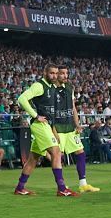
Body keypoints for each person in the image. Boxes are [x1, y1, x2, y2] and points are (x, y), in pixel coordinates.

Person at [12, 64, 75, 196]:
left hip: (47, 125)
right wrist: (35, 115)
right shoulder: (39, 86)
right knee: (56, 152)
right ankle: (62, 188)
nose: (54, 75)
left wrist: (53, 130)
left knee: (33, 159)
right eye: (51, 73)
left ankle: (20, 187)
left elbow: (50, 112)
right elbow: (22, 99)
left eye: (56, 73)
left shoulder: (52, 87)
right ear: (45, 72)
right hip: (39, 125)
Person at [57, 65, 98, 192]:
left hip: (70, 126)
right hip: (58, 127)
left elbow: (73, 107)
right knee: (58, 155)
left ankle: (83, 184)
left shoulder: (70, 88)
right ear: (56, 75)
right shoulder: (51, 90)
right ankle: (62, 185)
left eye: (66, 73)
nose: (65, 75)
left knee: (80, 151)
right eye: (62, 73)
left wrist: (77, 124)